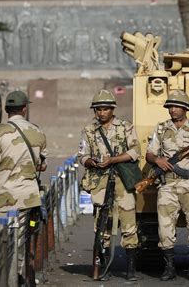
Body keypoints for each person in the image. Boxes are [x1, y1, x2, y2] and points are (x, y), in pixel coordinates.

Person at [0, 90, 47, 285]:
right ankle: (18, 278)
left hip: (2, 198)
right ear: (25, 109)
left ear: (6, 109)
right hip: (28, 199)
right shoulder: (37, 131)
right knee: (21, 240)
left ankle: (0, 280)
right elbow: (42, 165)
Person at [146, 90, 189, 281]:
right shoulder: (161, 128)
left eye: (176, 107)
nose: (172, 110)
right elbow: (149, 153)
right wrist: (157, 160)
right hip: (168, 184)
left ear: (185, 108)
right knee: (165, 229)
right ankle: (169, 267)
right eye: (170, 107)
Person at [78, 89, 141, 281]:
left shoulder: (125, 127)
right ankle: (102, 265)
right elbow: (82, 155)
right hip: (100, 182)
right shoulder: (89, 130)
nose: (101, 113)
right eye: (98, 109)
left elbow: (135, 151)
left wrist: (112, 160)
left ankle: (130, 269)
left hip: (123, 181)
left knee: (129, 224)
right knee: (101, 225)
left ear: (112, 109)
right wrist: (92, 162)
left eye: (105, 109)